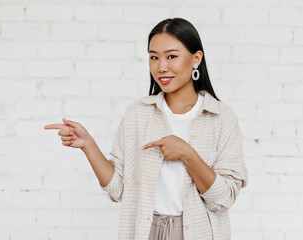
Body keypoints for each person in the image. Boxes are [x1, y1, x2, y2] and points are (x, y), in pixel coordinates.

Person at [44, 17, 248, 240]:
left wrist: (187, 154)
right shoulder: (137, 114)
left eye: (171, 56)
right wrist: (88, 145)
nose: (161, 67)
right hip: (144, 230)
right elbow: (118, 189)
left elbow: (224, 199)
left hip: (198, 233)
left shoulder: (221, 118)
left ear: (196, 58)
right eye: (154, 57)